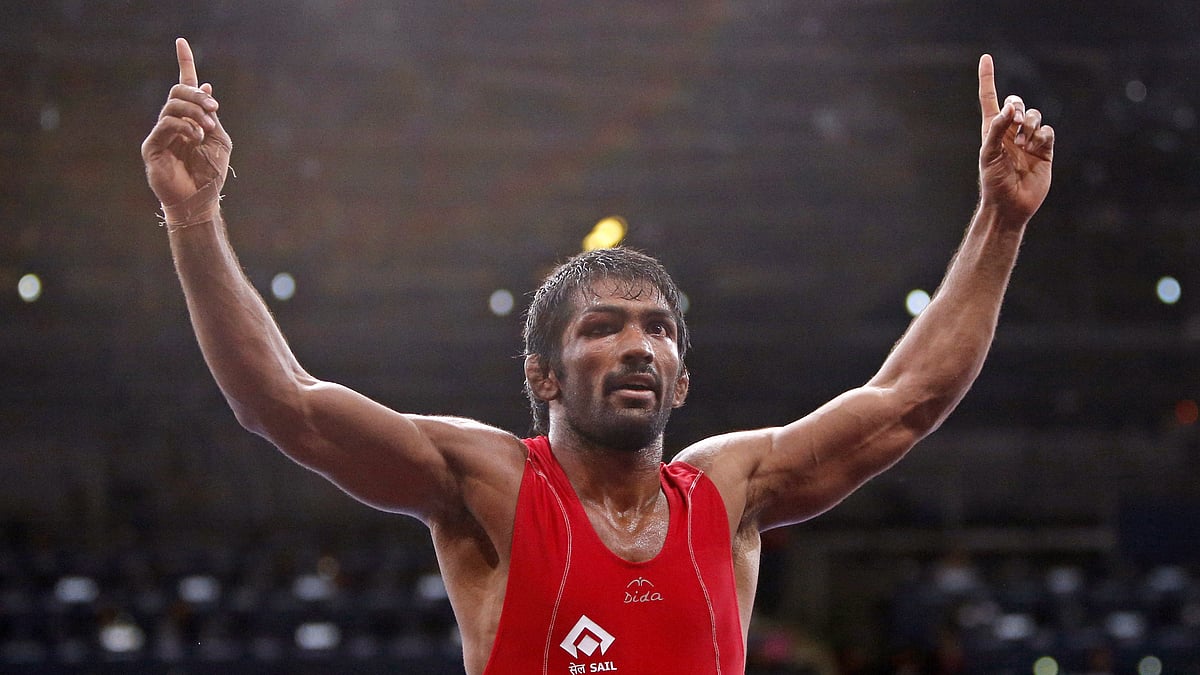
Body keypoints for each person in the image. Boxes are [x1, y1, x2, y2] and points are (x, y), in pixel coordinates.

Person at [142, 38, 1054, 675]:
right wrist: (193, 215)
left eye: (658, 329)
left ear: (682, 380)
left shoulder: (729, 489)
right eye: (602, 327)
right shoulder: (490, 484)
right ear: (541, 374)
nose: (638, 346)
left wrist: (1002, 221)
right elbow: (283, 402)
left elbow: (908, 398)